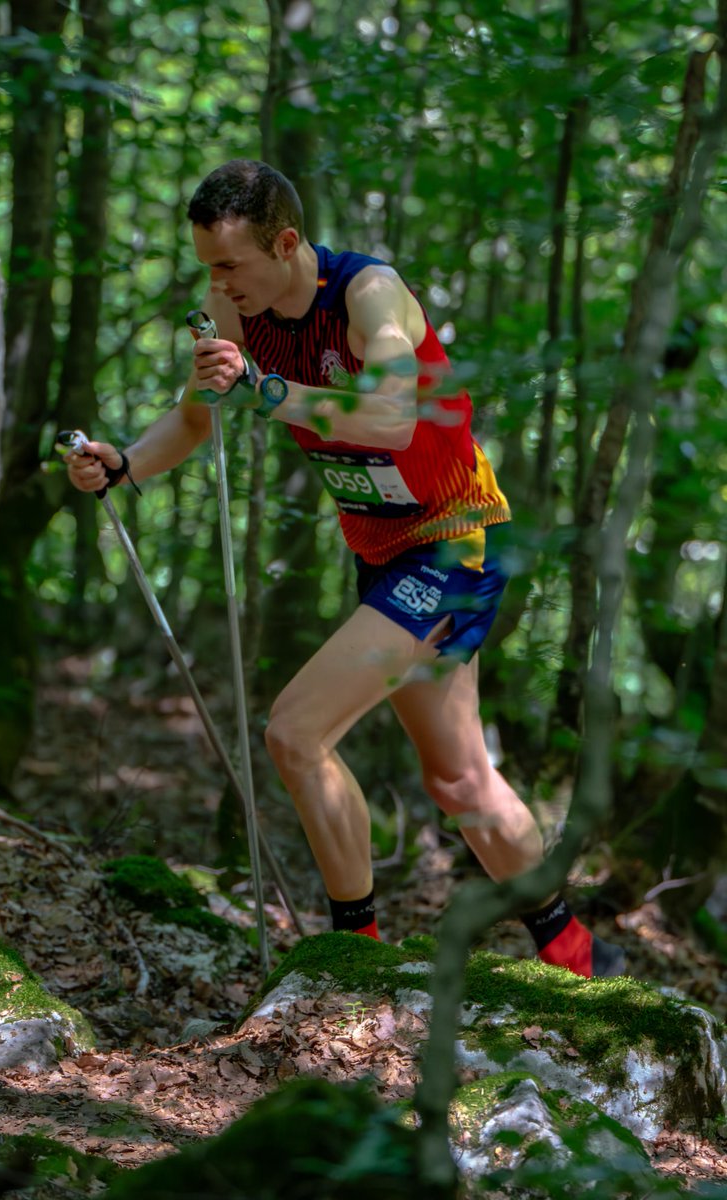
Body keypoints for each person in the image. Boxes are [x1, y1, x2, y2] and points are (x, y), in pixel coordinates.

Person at [67, 159, 625, 979]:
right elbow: (193, 421)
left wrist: (268, 391)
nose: (216, 283)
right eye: (207, 266)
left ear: (286, 243)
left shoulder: (370, 296)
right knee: (461, 782)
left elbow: (393, 419)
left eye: (229, 264)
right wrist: (124, 464)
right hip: (383, 553)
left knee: (294, 731)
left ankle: (351, 961)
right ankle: (578, 953)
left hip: (456, 540)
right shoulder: (235, 307)